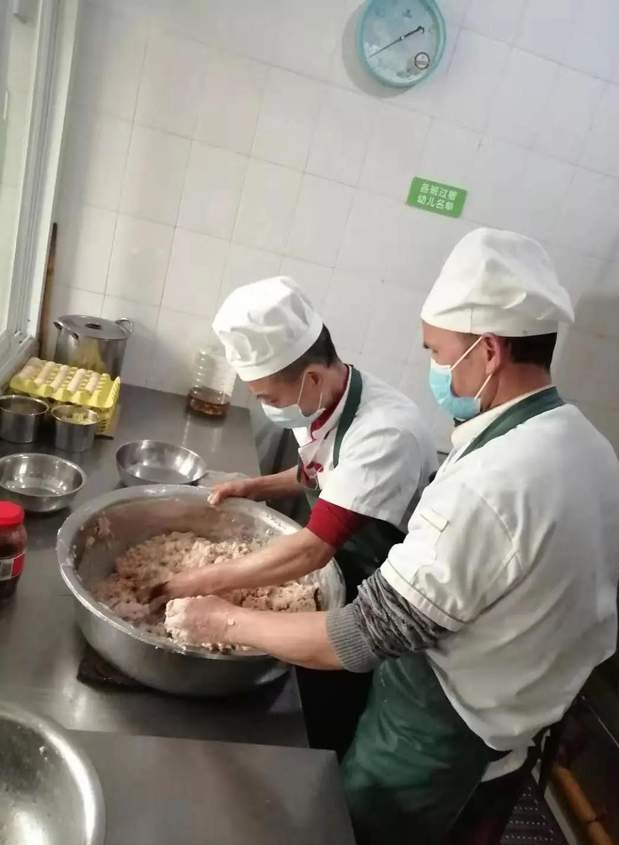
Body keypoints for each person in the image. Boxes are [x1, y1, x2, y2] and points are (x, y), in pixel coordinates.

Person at [165, 229, 619, 845]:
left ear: (488, 352)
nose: (433, 366)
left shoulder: (494, 481)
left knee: (356, 836)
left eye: (437, 350)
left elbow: (364, 635)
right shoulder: (588, 447)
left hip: (439, 723)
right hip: (511, 716)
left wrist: (219, 618)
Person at [155, 275, 437, 754]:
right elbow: (322, 471)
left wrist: (196, 582)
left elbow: (311, 551)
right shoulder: (329, 398)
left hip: (377, 589)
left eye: (269, 398)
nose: (268, 408)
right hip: (340, 557)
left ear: (311, 378)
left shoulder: (386, 433)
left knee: (330, 708)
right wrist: (255, 486)